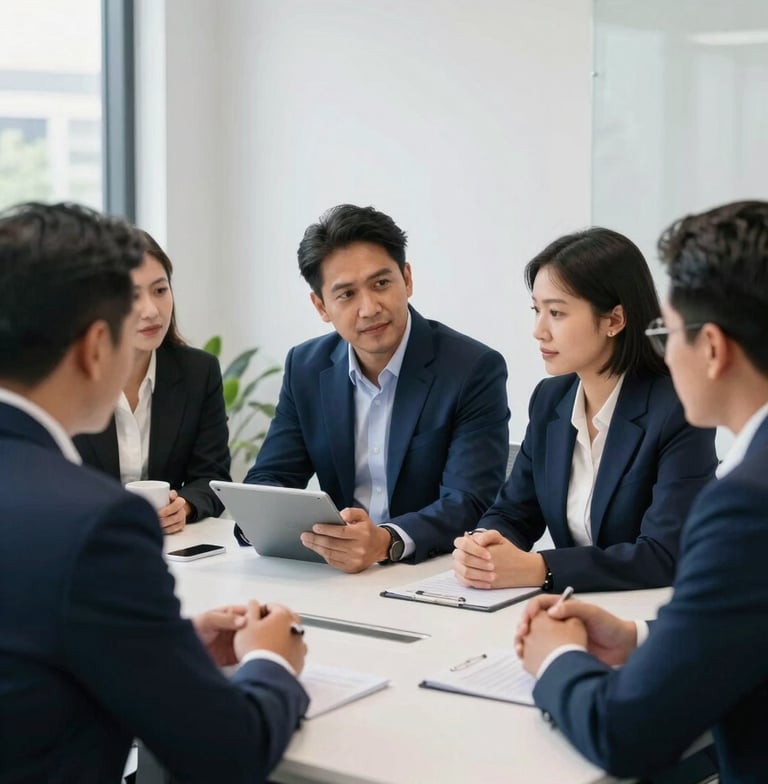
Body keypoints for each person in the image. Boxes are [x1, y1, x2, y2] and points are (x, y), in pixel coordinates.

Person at [0, 202, 308, 782]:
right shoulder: (96, 526)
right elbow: (226, 749)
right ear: (96, 348)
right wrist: (271, 661)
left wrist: (157, 644)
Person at [515, 200, 768, 782]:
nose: (663, 351)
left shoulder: (747, 505)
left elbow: (627, 734)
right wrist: (636, 636)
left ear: (713, 348)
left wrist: (555, 656)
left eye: (668, 332)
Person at [243, 204, 509, 572]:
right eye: (346, 295)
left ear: (407, 279)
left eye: (381, 283)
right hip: (339, 574)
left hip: (434, 569)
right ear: (321, 306)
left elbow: (470, 500)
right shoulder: (306, 367)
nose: (369, 308)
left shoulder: (472, 369)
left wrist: (385, 541)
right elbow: (271, 479)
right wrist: (281, 524)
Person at [453, 228, 717, 593]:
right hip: (569, 606)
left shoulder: (677, 408)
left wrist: (540, 568)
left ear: (614, 320)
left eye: (557, 313)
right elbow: (514, 512)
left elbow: (663, 555)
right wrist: (482, 545)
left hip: (649, 613)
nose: (538, 331)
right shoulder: (550, 399)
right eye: (537, 310)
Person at [74, 231, 231, 533]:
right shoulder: (68, 379)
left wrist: (183, 505)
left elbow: (213, 477)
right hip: (86, 543)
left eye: (160, 290)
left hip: (170, 547)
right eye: (132, 296)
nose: (151, 311)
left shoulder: (199, 372)